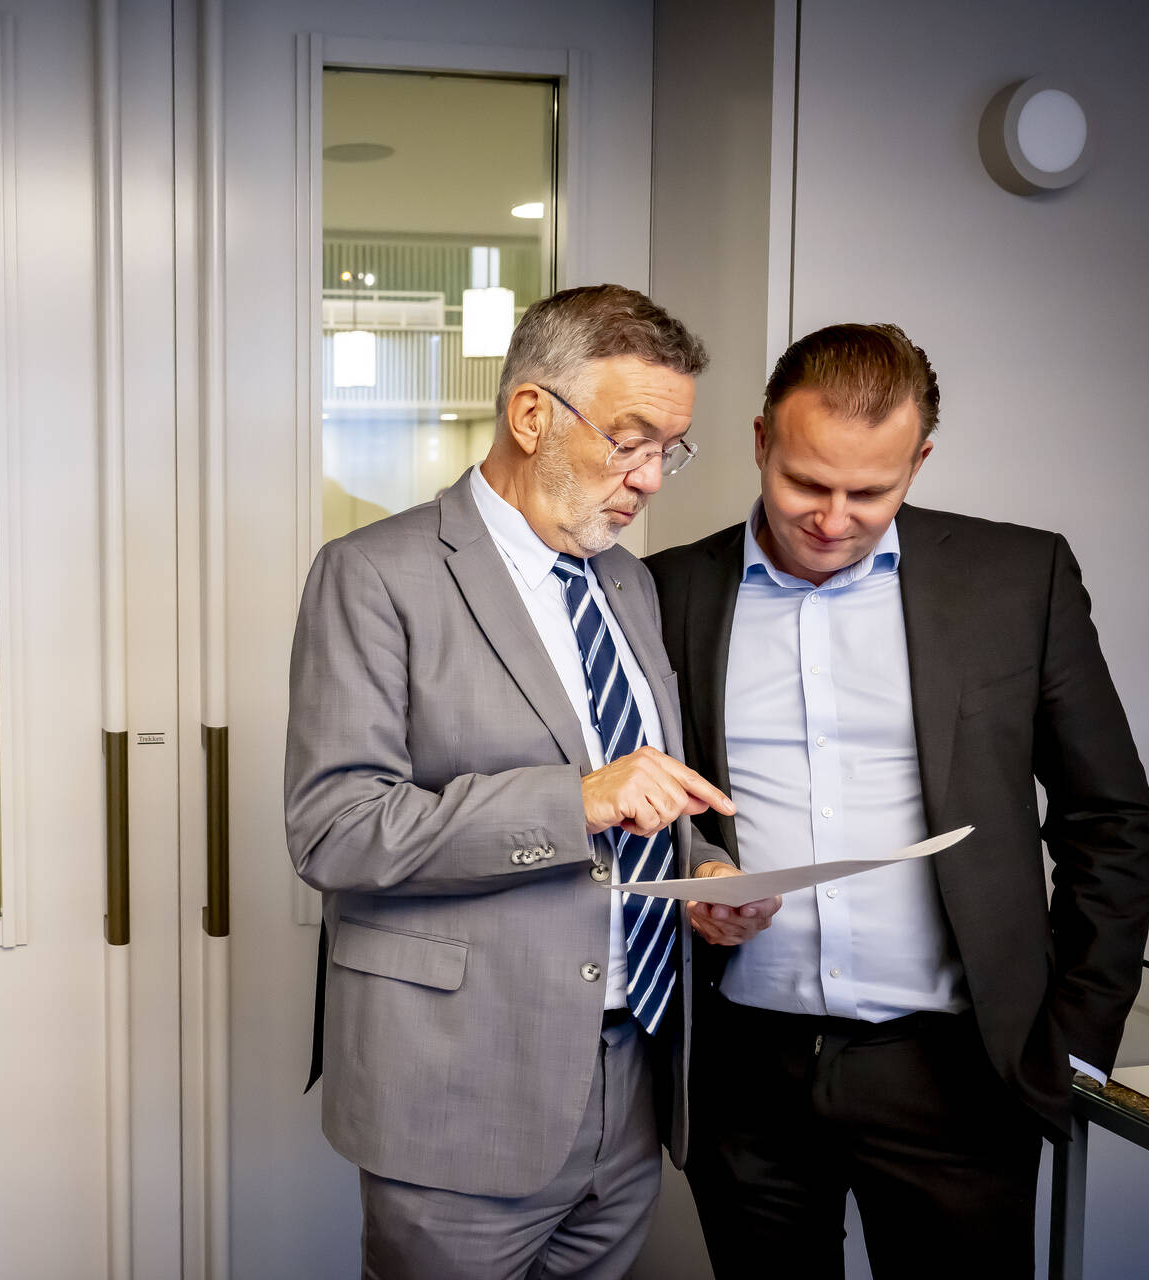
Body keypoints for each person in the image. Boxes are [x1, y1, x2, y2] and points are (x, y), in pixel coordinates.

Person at [285, 284, 776, 1279]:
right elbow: (335, 830)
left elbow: (649, 788)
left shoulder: (628, 582)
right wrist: (576, 798)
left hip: (629, 1088)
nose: (650, 478)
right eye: (631, 439)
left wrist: (710, 873)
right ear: (531, 412)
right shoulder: (375, 574)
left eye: (668, 449)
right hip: (460, 1096)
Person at [646, 323, 1149, 1278]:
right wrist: (699, 867)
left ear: (918, 462)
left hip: (960, 1075)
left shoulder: (1019, 579)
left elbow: (1109, 820)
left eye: (872, 492)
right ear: (760, 441)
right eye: (805, 482)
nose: (833, 518)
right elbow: (656, 809)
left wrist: (1074, 1049)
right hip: (743, 1070)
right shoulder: (665, 589)